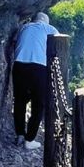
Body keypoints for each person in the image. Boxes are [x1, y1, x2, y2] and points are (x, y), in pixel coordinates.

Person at [11, 11, 59, 149]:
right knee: (38, 104)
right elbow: (57, 43)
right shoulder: (49, 29)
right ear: (45, 21)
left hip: (19, 65)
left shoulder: (24, 27)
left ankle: (19, 134)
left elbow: (14, 42)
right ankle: (29, 139)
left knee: (20, 101)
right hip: (38, 67)